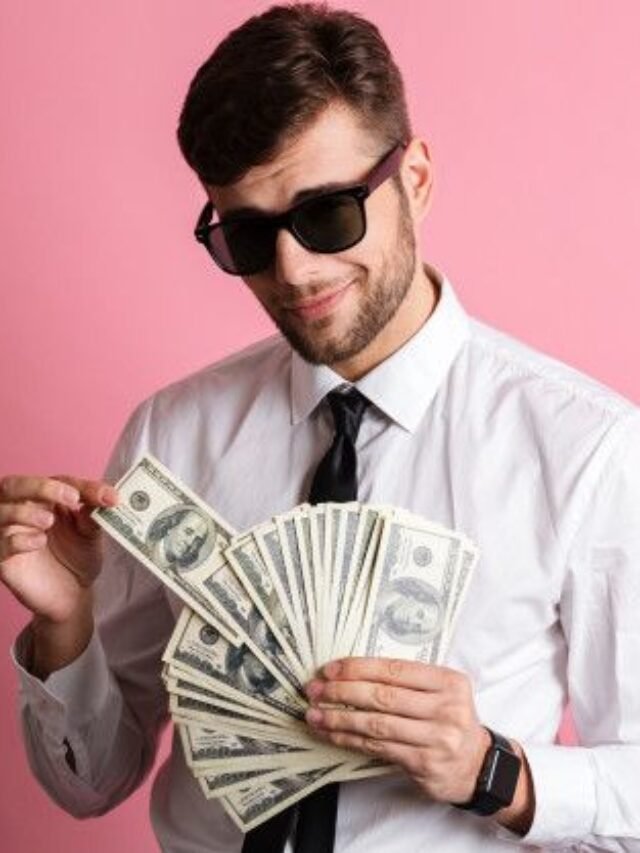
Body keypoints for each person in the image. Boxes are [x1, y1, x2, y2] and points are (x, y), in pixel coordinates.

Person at [1, 3, 639, 851]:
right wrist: (65, 626)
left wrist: (496, 770)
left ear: (413, 179)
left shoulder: (585, 448)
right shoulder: (173, 433)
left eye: (329, 213)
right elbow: (92, 785)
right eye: (250, 235)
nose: (294, 271)